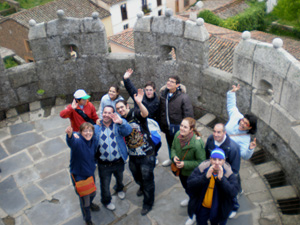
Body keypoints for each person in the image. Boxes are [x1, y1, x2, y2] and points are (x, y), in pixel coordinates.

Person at [115, 89, 155, 216]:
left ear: (127, 106)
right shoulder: (120, 120)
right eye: (118, 109)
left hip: (146, 153)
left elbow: (145, 113)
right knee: (136, 175)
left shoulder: (135, 113)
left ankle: (148, 203)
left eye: (122, 107)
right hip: (133, 155)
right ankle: (142, 186)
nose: (121, 110)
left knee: (147, 178)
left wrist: (139, 103)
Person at [187, 148, 239, 225]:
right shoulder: (202, 168)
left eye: (220, 160)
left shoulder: (229, 173)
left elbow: (233, 193)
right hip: (203, 206)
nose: (217, 162)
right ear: (210, 159)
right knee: (201, 222)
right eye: (214, 159)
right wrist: (205, 177)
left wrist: (222, 180)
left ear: (224, 161)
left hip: (219, 208)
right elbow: (190, 184)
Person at [95, 106, 132, 211]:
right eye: (104, 112)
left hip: (118, 161)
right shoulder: (96, 127)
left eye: (109, 113)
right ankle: (106, 201)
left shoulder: (117, 125)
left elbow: (128, 131)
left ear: (113, 114)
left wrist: (121, 122)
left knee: (119, 178)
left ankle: (120, 188)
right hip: (104, 164)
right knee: (105, 185)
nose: (106, 115)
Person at [170, 117, 205, 225]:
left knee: (195, 195)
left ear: (191, 129)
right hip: (182, 173)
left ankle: (193, 214)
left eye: (185, 127)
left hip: (192, 175)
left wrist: (185, 164)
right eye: (181, 125)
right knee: (187, 189)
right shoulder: (177, 135)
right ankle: (190, 198)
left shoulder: (197, 144)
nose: (182, 128)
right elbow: (173, 148)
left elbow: (201, 162)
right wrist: (174, 157)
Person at [123, 68, 161, 164]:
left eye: (150, 90)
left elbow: (159, 115)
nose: (148, 92)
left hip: (150, 125)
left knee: (156, 142)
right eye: (147, 90)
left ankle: (154, 155)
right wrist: (126, 79)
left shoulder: (157, 102)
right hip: (138, 123)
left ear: (154, 90)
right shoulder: (140, 97)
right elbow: (131, 89)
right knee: (138, 142)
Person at [65, 122, 100, 225]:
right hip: (79, 175)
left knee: (93, 193)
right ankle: (87, 219)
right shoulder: (78, 141)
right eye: (85, 131)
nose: (88, 133)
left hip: (90, 172)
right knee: (85, 202)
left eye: (90, 131)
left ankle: (91, 203)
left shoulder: (93, 140)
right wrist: (70, 135)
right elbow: (72, 142)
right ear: (80, 132)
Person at [205, 123, 241, 219]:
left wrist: (227, 178)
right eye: (214, 131)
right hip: (214, 172)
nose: (216, 134)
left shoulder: (233, 148)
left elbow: (235, 168)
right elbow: (206, 155)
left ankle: (234, 207)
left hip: (227, 175)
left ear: (224, 133)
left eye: (219, 132)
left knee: (230, 193)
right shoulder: (210, 139)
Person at [159, 76, 194, 167]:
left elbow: (188, 115)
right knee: (170, 144)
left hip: (178, 127)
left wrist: (188, 129)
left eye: (172, 82)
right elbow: (162, 111)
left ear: (177, 85)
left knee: (181, 146)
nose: (169, 83)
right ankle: (172, 159)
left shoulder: (183, 97)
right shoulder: (164, 95)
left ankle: (182, 163)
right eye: (168, 80)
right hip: (167, 126)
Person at [226, 84, 257, 160]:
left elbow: (244, 156)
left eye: (246, 123)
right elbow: (232, 106)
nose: (242, 123)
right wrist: (232, 93)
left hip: (226, 156)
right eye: (243, 120)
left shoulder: (245, 139)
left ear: (250, 127)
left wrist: (250, 149)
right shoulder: (237, 116)